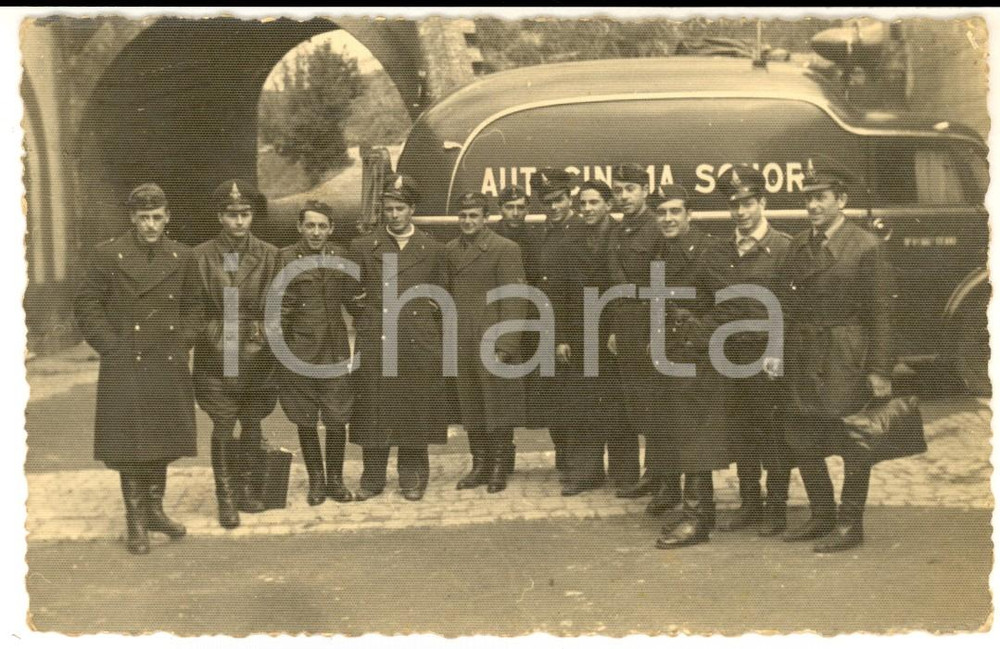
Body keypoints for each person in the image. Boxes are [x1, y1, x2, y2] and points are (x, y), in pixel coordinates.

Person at [74, 183, 199, 554]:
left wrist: (182, 343)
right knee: (131, 443)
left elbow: (195, 306)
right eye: (143, 218)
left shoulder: (183, 256)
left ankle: (156, 510)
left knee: (161, 439)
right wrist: (111, 347)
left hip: (166, 359)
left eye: (156, 218)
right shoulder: (107, 255)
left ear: (167, 217)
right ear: (132, 218)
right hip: (125, 362)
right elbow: (86, 306)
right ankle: (136, 521)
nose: (150, 225)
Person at [778, 158, 894, 552]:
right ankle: (822, 513)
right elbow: (786, 305)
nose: (813, 206)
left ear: (840, 200)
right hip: (805, 351)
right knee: (802, 436)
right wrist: (780, 351)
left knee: (853, 438)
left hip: (846, 352)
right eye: (808, 198)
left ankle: (850, 523)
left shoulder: (865, 246)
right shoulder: (799, 244)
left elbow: (881, 312)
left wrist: (879, 368)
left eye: (821, 198)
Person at [692, 166, 795, 536]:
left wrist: (779, 351)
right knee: (742, 431)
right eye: (734, 205)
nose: (741, 212)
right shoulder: (718, 252)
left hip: (769, 359)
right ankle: (750, 503)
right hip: (730, 358)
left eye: (748, 203)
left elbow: (792, 307)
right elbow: (705, 303)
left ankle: (776, 508)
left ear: (762, 202)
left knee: (774, 433)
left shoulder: (785, 248)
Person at [349, 174, 450, 502]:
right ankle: (373, 475)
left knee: (414, 405)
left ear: (412, 209)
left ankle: (412, 474)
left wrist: (424, 321)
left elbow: (442, 293)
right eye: (388, 208)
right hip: (378, 336)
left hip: (417, 338)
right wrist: (367, 316)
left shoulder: (432, 248)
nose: (393, 214)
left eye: (399, 208)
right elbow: (351, 290)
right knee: (374, 406)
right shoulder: (364, 246)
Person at [190, 179, 280, 529]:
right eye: (232, 215)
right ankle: (225, 497)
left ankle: (247, 488)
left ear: (253, 216)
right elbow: (193, 306)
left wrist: (267, 333)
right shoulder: (200, 256)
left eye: (245, 214)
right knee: (224, 424)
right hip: (217, 350)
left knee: (254, 421)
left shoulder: (271, 255)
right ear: (219, 217)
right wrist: (209, 332)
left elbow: (278, 303)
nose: (239, 222)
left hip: (258, 350)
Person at [646, 183, 729, 549]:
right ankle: (692, 510)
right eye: (661, 213)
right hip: (672, 352)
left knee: (696, 435)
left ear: (689, 214)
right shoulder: (662, 250)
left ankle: (698, 519)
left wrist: (695, 330)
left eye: (674, 212)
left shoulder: (707, 250)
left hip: (698, 354)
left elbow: (729, 304)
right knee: (678, 429)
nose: (667, 219)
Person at [550, 179, 635, 494]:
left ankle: (625, 474)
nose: (586, 209)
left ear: (608, 205)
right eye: (583, 203)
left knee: (618, 406)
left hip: (614, 332)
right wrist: (560, 336)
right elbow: (560, 292)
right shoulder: (570, 238)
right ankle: (587, 472)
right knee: (583, 405)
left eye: (594, 203)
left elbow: (628, 286)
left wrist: (619, 328)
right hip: (579, 332)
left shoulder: (622, 236)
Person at [276, 200, 363, 506]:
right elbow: (280, 309)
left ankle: (336, 481)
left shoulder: (341, 256)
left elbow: (354, 299)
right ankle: (316, 481)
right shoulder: (285, 258)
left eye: (322, 226)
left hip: (335, 350)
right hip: (299, 350)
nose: (315, 232)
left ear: (331, 229)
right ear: (299, 227)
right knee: (306, 419)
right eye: (310, 225)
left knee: (338, 417)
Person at [447, 192, 527, 493]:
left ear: (486, 217)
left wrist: (506, 345)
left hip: (492, 340)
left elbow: (516, 299)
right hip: (462, 342)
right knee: (471, 405)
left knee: (498, 405)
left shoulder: (504, 248)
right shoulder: (451, 250)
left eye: (474, 216)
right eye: (463, 215)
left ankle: (498, 466)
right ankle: (479, 464)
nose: (468, 221)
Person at [606, 163, 672, 502]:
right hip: (627, 326)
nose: (623, 196)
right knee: (639, 405)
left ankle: (664, 479)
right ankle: (653, 473)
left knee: (658, 404)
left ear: (644, 190)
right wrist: (617, 329)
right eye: (618, 190)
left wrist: (656, 334)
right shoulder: (618, 232)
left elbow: (662, 285)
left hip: (650, 327)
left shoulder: (656, 228)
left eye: (630, 189)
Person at [532, 168, 581, 480]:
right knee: (554, 399)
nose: (554, 207)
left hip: (571, 331)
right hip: (547, 329)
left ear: (569, 197)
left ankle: (576, 465)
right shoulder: (545, 233)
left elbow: (576, 293)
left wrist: (564, 337)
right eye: (548, 202)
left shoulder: (580, 231)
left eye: (559, 200)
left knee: (574, 400)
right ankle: (564, 459)